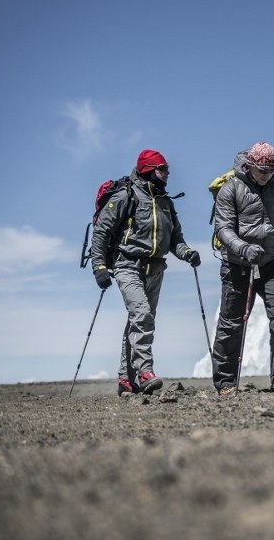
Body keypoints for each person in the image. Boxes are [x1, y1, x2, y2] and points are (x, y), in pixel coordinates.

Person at [89, 149, 200, 397]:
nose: (168, 174)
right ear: (149, 170)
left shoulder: (165, 202)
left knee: (137, 321)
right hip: (127, 264)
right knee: (142, 315)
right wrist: (99, 267)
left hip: (156, 268)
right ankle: (145, 372)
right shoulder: (125, 196)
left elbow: (175, 240)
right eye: (163, 169)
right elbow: (102, 232)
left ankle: (125, 379)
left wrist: (187, 253)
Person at [210, 142, 274, 396]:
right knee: (232, 323)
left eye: (271, 171)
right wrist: (243, 248)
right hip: (237, 264)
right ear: (250, 166)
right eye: (262, 172)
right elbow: (223, 229)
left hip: (270, 261)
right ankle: (225, 381)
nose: (266, 176)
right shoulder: (230, 188)